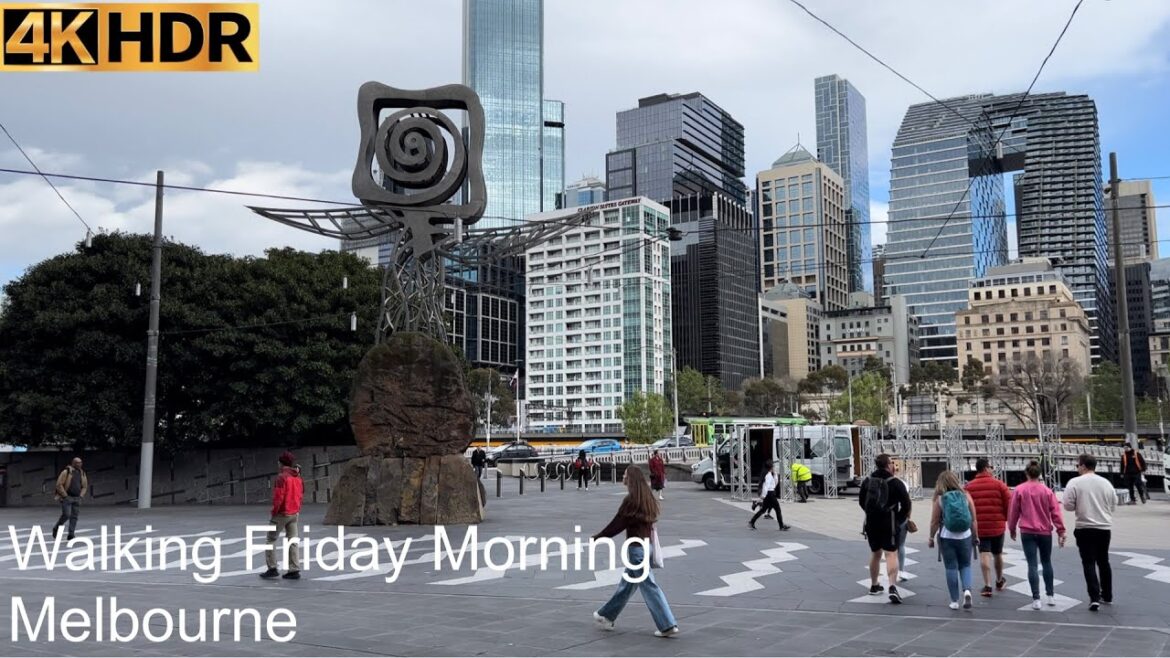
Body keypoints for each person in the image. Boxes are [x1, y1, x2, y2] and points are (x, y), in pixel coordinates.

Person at [592, 467, 679, 637]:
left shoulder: (631, 500)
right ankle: (606, 615)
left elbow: (618, 523)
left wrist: (600, 536)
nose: (623, 476)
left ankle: (667, 624)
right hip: (647, 546)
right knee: (627, 585)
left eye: (625, 474)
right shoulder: (647, 498)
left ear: (631, 479)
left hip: (636, 549)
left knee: (649, 585)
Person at [1007, 460, 1067, 610]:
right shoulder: (1047, 491)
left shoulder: (1019, 490)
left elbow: (1013, 512)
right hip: (1044, 531)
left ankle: (1036, 598)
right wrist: (1061, 530)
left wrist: (1012, 528)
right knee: (1046, 562)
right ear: (1039, 474)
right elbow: (1056, 513)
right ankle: (1051, 595)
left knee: (1032, 565)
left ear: (1026, 473)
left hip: (1027, 531)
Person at [1063, 453, 1118, 611]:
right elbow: (1113, 504)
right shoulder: (1106, 483)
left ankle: (1094, 597)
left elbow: (1067, 505)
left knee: (1088, 562)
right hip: (1104, 528)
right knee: (1104, 561)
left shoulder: (1075, 482)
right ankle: (1107, 595)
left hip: (1084, 527)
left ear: (1083, 466)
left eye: (1077, 465)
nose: (1077, 468)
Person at [859, 454, 911, 604]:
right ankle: (893, 587)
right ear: (888, 465)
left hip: (871, 522)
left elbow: (862, 502)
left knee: (875, 553)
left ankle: (874, 585)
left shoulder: (868, 481)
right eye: (892, 463)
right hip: (890, 521)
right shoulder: (896, 482)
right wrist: (899, 519)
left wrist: (871, 513)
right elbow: (906, 504)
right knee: (891, 554)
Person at [928, 470, 980, 610]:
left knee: (951, 567)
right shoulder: (966, 495)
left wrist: (931, 537)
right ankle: (967, 591)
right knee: (965, 565)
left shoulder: (940, 499)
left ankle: (954, 600)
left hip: (947, 536)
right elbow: (974, 520)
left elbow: (934, 521)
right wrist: (975, 536)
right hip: (965, 535)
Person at [965, 458, 1011, 597]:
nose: (992, 469)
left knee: (984, 553)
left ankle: (987, 585)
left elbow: (965, 506)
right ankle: (999, 580)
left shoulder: (969, 487)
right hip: (997, 525)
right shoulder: (1000, 484)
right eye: (990, 466)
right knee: (997, 553)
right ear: (985, 468)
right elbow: (1009, 503)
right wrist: (1006, 519)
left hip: (979, 527)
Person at [260, 451, 304, 580]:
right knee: (293, 540)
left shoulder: (281, 477)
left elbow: (279, 497)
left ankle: (272, 568)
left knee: (270, 539)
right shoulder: (297, 476)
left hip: (282, 513)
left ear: (281, 463)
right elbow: (301, 493)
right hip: (294, 513)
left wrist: (274, 512)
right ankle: (294, 569)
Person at [52, 457, 88, 541]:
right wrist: (65, 495)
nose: (79, 464)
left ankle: (71, 534)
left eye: (80, 462)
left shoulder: (82, 473)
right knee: (66, 515)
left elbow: (85, 486)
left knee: (74, 517)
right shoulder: (66, 472)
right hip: (67, 498)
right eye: (77, 463)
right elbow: (59, 484)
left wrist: (81, 496)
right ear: (73, 463)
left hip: (77, 498)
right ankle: (56, 528)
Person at [749, 460, 790, 531]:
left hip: (770, 493)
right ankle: (781, 526)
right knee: (778, 510)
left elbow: (775, 483)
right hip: (770, 494)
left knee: (763, 510)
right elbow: (766, 486)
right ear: (771, 467)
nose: (774, 467)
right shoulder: (768, 475)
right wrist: (763, 496)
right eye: (773, 466)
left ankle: (752, 521)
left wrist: (775, 474)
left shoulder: (770, 474)